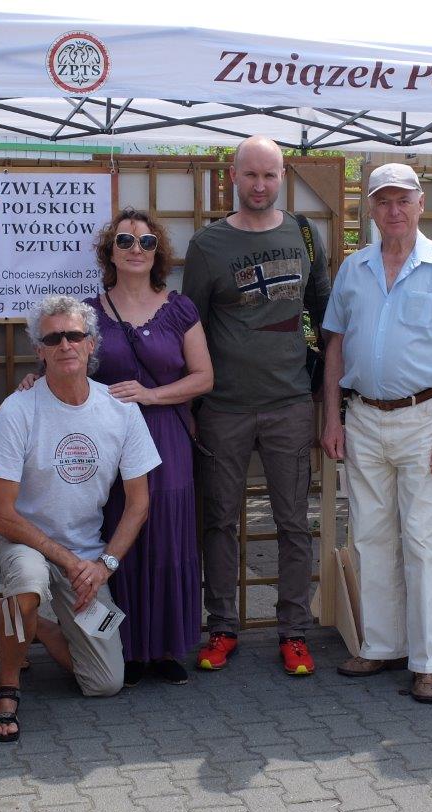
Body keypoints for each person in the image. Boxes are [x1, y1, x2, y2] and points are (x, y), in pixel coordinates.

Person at [321, 163, 432, 703]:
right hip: (364, 417)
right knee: (369, 536)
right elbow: (335, 347)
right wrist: (333, 418)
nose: (393, 210)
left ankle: (429, 662)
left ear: (420, 204)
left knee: (425, 541)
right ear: (370, 208)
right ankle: (380, 645)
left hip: (425, 419)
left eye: (403, 200)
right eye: (383, 201)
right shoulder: (354, 269)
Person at [0, 295, 161, 742]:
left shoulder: (121, 410)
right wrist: (70, 561)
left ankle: (24, 622)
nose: (65, 345)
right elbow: (1, 515)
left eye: (75, 335)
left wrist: (103, 567)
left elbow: (138, 504)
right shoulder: (19, 409)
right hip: (25, 540)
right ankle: (6, 689)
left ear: (91, 343)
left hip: (85, 557)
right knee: (28, 581)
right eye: (53, 338)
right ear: (39, 350)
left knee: (105, 682)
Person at [182, 135, 331, 676]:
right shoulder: (208, 245)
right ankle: (222, 627)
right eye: (251, 174)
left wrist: (327, 393)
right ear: (233, 176)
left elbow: (325, 313)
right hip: (224, 407)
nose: (261, 185)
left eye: (270, 175)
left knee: (294, 522)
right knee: (219, 521)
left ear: (283, 176)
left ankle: (293, 632)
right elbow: (190, 327)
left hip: (289, 403)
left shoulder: (305, 234)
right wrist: (191, 403)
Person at [87, 211, 212, 685]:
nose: (135, 249)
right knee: (120, 532)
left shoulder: (179, 309)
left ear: (158, 252)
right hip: (111, 440)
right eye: (124, 240)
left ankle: (164, 648)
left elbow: (204, 377)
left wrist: (151, 395)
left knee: (167, 535)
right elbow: (68, 366)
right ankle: (126, 648)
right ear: (110, 251)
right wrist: (33, 381)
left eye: (145, 241)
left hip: (165, 435)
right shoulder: (89, 312)